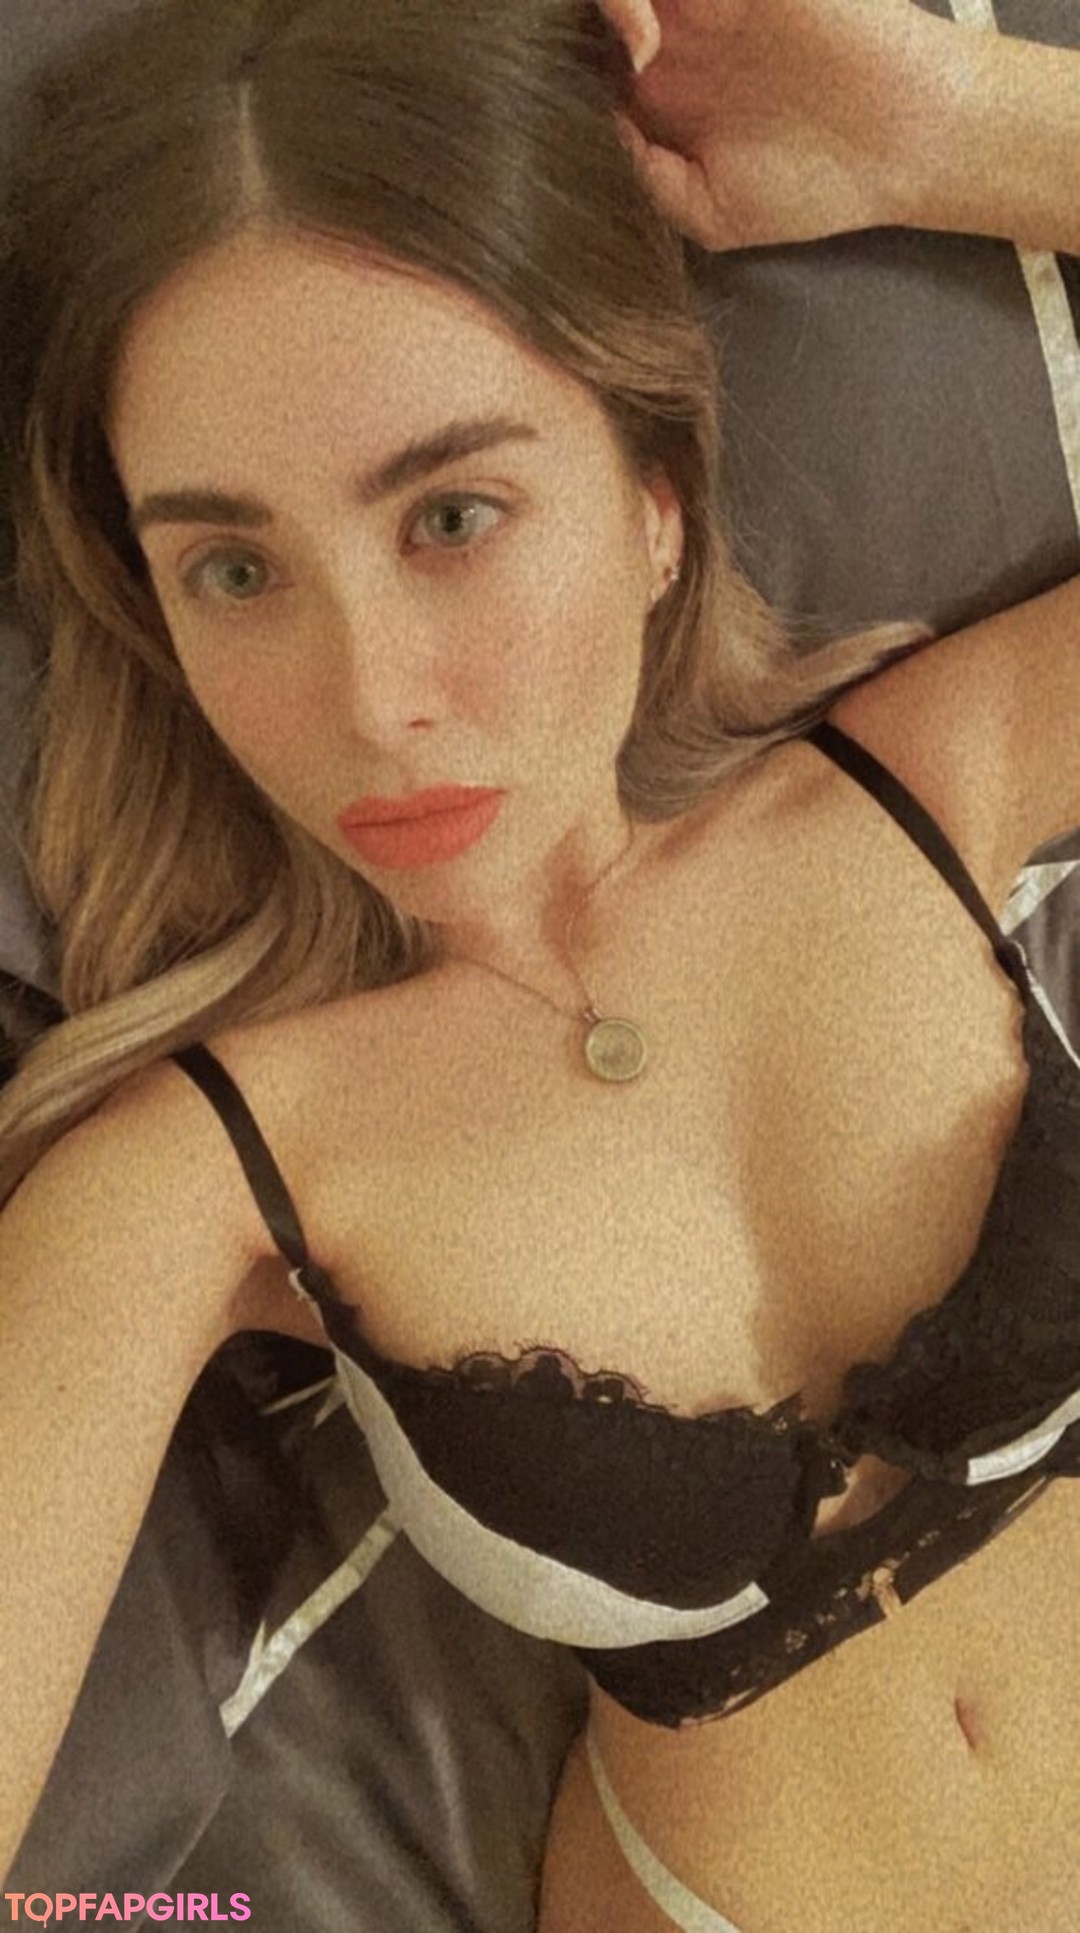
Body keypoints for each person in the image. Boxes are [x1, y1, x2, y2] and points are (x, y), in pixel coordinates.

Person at [0, 1, 1076, 1926]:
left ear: (655, 501)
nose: (373, 700)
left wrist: (955, 125)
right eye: (236, 569)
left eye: (453, 515)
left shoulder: (926, 784)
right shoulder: (190, 1177)